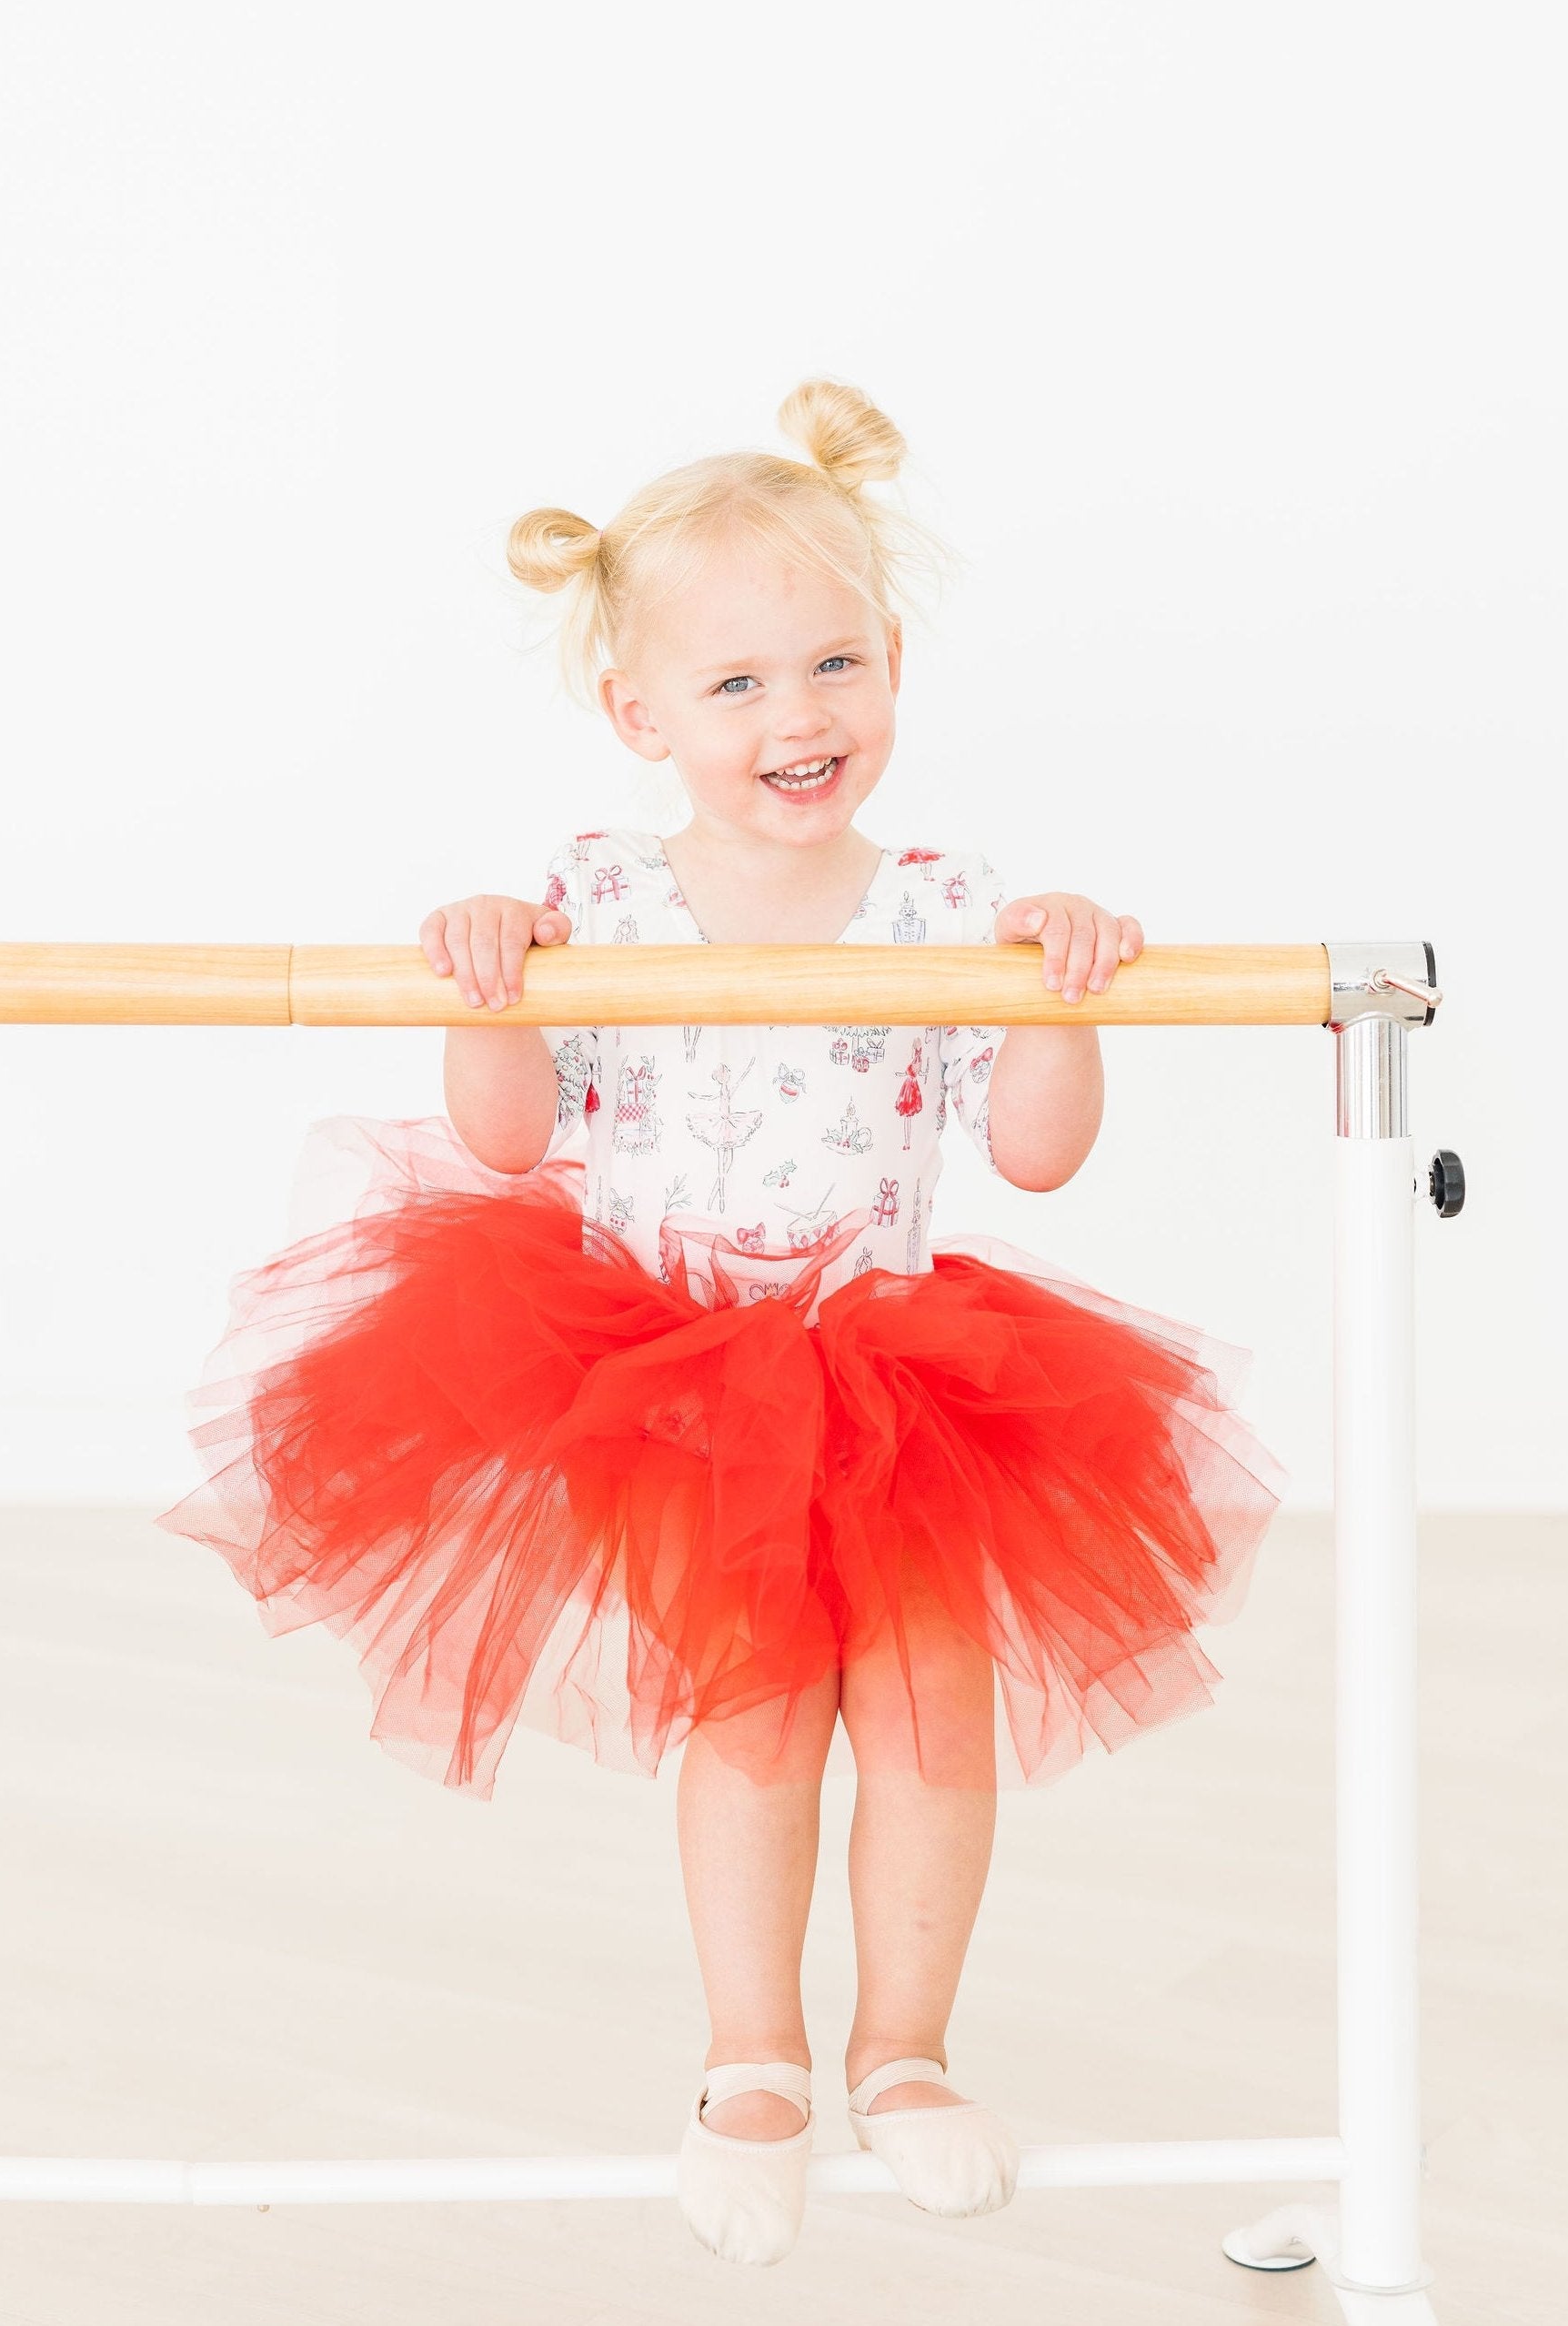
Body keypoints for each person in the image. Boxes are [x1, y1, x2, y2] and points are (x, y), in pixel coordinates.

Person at [159, 378, 1286, 2267]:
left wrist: (1054, 992)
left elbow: (1036, 1151)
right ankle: (750, 2058)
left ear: (894, 663)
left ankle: (905, 2051)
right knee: (754, 1717)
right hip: (675, 1379)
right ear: (643, 717)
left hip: (898, 1366)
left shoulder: (947, 905)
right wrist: (486, 980)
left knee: (925, 1715)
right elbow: (502, 1135)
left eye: (835, 663)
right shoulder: (599, 898)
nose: (797, 716)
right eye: (739, 682)